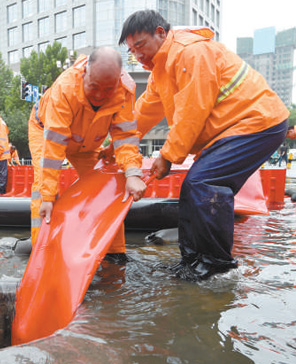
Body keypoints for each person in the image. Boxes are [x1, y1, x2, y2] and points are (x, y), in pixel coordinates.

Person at [119, 10, 289, 281]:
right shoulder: (160, 73)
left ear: (161, 33)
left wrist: (168, 155)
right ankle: (193, 261)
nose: (138, 56)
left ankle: (216, 265)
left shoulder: (190, 53)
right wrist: (115, 144)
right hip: (233, 129)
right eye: (132, 51)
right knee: (195, 185)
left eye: (140, 46)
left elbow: (192, 111)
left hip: (257, 122)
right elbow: (142, 115)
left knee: (205, 184)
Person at [28, 46, 146, 259]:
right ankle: (42, 253)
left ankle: (114, 253)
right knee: (43, 189)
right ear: (85, 74)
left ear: (118, 81)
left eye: (108, 89)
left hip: (87, 141)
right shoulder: (64, 89)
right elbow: (54, 149)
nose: (100, 95)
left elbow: (125, 137)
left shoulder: (125, 91)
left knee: (108, 185)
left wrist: (132, 173)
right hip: (45, 130)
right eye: (94, 87)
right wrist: (47, 197)